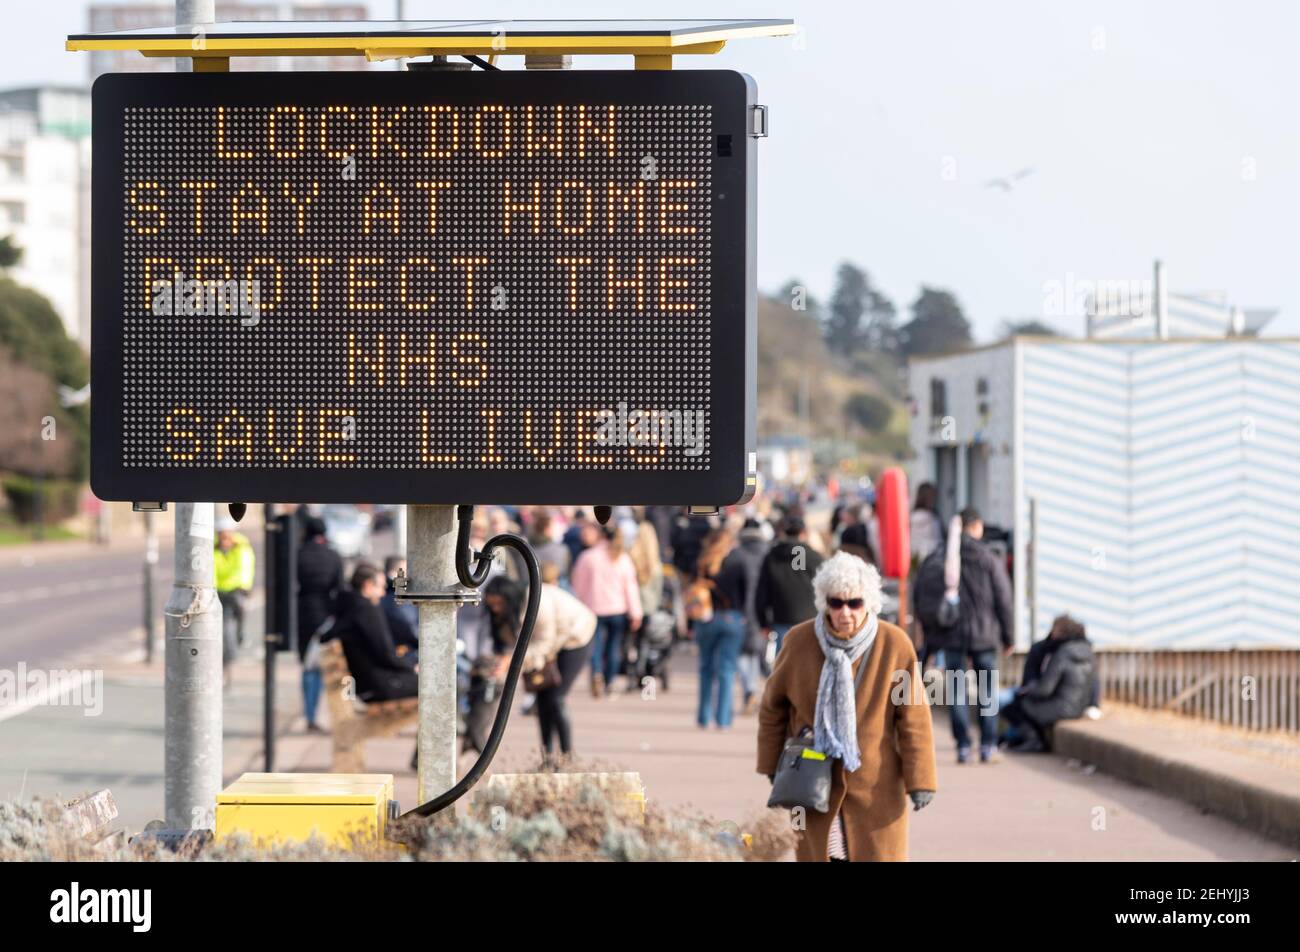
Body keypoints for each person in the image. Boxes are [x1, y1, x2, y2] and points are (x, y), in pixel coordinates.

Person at [757, 553, 938, 862]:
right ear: (823, 602)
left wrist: (921, 780)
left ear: (869, 602)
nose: (844, 612)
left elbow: (914, 717)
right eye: (835, 603)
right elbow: (773, 707)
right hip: (812, 781)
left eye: (854, 603)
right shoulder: (799, 641)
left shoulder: (894, 644)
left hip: (875, 787)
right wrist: (773, 764)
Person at [914, 507, 1014, 764]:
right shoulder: (988, 557)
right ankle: (988, 744)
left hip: (952, 635)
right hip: (984, 635)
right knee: (987, 691)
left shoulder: (941, 556)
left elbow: (923, 595)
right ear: (977, 526)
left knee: (957, 691)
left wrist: (930, 634)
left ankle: (963, 746)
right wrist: (1009, 636)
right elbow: (1004, 598)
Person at [521, 578, 598, 762]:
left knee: (556, 698)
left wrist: (527, 660)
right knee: (542, 699)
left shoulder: (538, 603)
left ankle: (567, 756)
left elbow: (546, 641)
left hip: (576, 638)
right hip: (555, 642)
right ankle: (547, 758)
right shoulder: (522, 603)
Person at [1000, 615, 1095, 752]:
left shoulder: (1062, 652)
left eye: (1054, 631)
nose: (1052, 635)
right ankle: (1016, 738)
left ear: (1061, 633)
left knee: (1014, 707)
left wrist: (1028, 690)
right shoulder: (1087, 651)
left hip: (1062, 706)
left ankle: (1033, 740)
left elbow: (1045, 689)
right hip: (1080, 706)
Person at [570, 523, 643, 697]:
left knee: (595, 646)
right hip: (617, 609)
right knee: (614, 647)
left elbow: (578, 586)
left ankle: (596, 674)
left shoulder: (587, 557)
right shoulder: (622, 558)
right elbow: (630, 587)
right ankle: (610, 681)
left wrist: (578, 608)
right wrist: (636, 612)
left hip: (592, 608)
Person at [332, 562, 418, 703]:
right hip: (376, 685)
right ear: (368, 585)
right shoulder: (367, 610)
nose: (383, 593)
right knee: (435, 682)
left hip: (364, 682)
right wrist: (412, 668)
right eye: (381, 587)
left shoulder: (349, 607)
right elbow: (386, 654)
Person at [693, 531, 748, 730]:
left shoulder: (702, 563)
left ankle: (703, 717)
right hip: (731, 618)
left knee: (706, 668)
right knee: (726, 670)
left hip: (706, 618)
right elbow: (746, 593)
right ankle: (723, 719)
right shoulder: (737, 562)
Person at [754, 515, 825, 657]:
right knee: (809, 666)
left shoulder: (771, 557)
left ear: (783, 533)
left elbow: (761, 592)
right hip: (811, 620)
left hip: (782, 619)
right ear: (804, 533)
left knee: (785, 666)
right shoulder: (815, 557)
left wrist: (763, 622)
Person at [297, 516, 343, 732]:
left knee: (308, 669)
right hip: (327, 618)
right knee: (331, 668)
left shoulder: (298, 555)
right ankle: (336, 715)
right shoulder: (333, 556)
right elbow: (340, 589)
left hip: (303, 616)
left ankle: (310, 715)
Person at [729, 518, 771, 715]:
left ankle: (749, 690)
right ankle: (753, 690)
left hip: (740, 610)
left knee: (742, 653)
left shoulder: (736, 554)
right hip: (763, 610)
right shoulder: (768, 553)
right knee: (755, 653)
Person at [213, 516, 256, 687]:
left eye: (227, 534)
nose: (225, 538)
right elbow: (208, 569)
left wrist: (243, 587)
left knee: (241, 607)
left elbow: (245, 568)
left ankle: (241, 633)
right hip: (218, 590)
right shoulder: (212, 548)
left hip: (236, 589)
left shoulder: (242, 547)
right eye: (221, 535)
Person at [381, 555, 419, 653]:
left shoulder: (386, 592)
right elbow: (407, 624)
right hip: (405, 652)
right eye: (406, 572)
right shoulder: (396, 595)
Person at [910, 482, 944, 563]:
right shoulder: (932, 518)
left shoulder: (911, 517)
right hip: (930, 560)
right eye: (931, 497)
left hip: (915, 559)